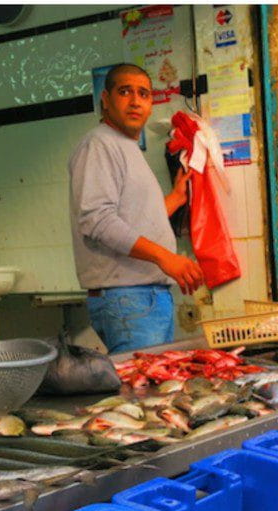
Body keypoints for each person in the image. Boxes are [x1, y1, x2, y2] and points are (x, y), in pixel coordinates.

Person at [68, 63, 204, 353]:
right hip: (129, 300)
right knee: (144, 394)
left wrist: (176, 198)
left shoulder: (126, 147)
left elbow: (135, 220)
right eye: (125, 91)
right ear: (105, 99)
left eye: (143, 94)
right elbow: (97, 220)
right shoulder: (99, 144)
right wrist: (165, 257)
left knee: (154, 391)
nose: (135, 101)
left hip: (143, 300)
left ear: (151, 104)